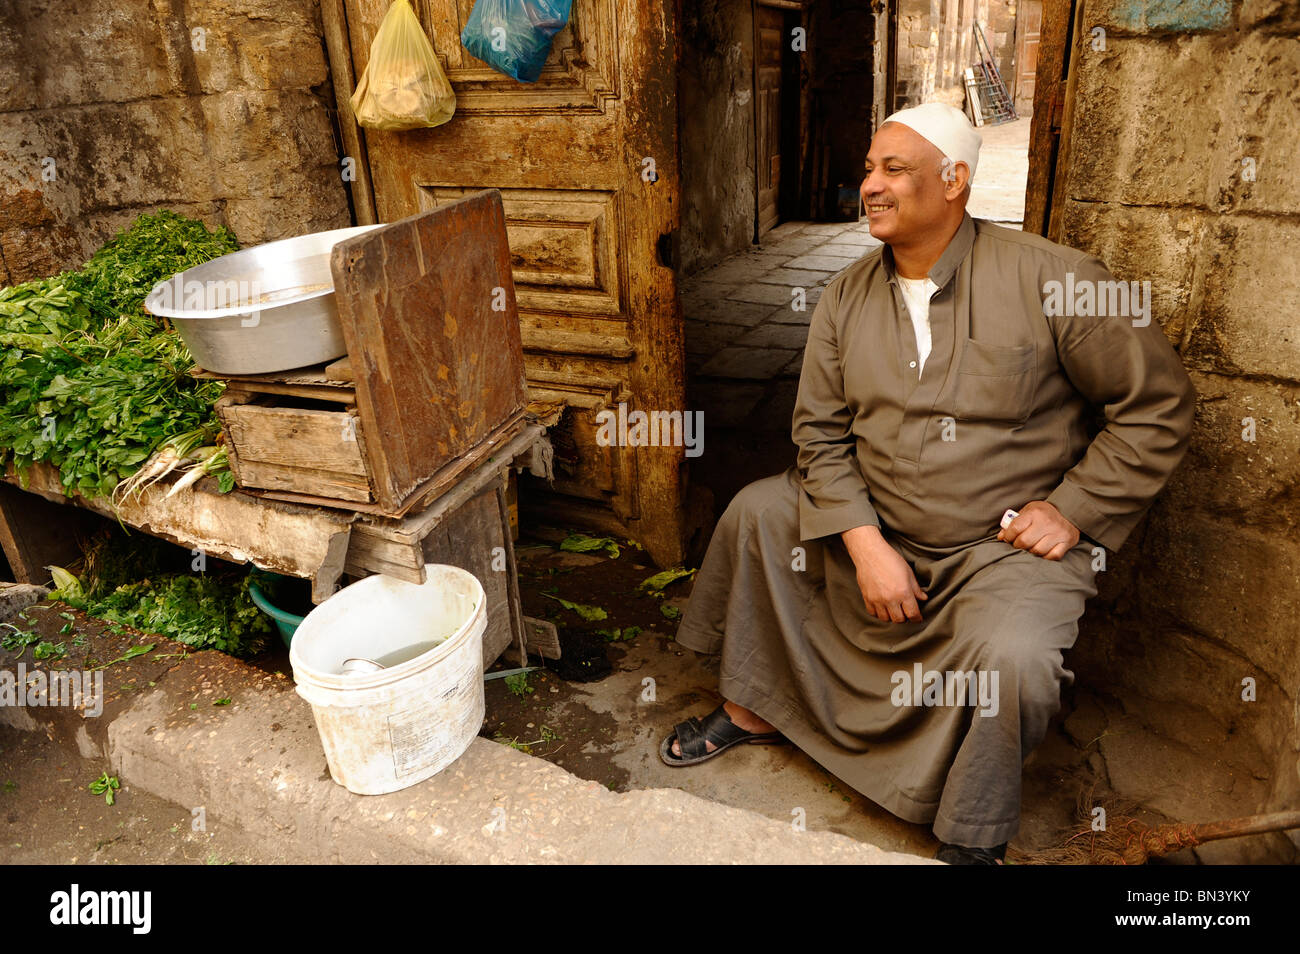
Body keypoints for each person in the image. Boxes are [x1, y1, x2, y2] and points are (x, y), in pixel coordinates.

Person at [662, 102, 1196, 864]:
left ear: (956, 181)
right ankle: (754, 710)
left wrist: (1074, 508)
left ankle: (971, 830)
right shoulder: (845, 295)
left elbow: (1158, 405)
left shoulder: (1059, 280)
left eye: (893, 170)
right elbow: (818, 431)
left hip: (999, 549)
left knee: (1013, 656)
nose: (870, 186)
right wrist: (864, 539)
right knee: (759, 511)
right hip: (877, 522)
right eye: (869, 169)